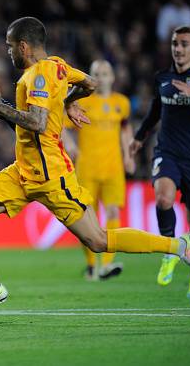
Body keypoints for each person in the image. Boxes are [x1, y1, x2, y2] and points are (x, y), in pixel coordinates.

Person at [0, 17, 190, 317]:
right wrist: (66, 103)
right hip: (23, 170)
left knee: (98, 240)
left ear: (23, 47)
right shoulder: (58, 66)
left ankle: (179, 246)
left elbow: (37, 123)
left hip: (52, 176)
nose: (9, 52)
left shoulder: (38, 76)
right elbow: (88, 83)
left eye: (10, 47)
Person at [130, 25, 190, 298]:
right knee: (163, 199)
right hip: (166, 152)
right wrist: (139, 137)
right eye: (174, 43)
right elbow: (156, 110)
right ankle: (170, 250)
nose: (177, 49)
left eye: (183, 44)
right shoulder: (163, 77)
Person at [62, 60, 135, 280]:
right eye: (96, 74)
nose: (102, 78)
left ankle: (107, 264)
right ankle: (92, 265)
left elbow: (125, 128)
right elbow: (61, 126)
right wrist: (71, 145)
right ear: (91, 78)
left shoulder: (121, 102)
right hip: (87, 167)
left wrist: (129, 155)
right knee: (87, 218)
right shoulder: (82, 102)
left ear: (112, 77)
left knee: (113, 212)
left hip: (113, 168)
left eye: (105, 73)